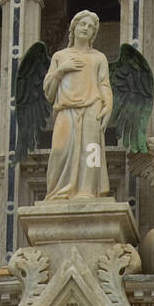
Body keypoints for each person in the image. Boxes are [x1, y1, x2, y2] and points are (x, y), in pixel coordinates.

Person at [43, 10, 113, 200]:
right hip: (66, 110)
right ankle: (58, 191)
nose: (86, 29)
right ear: (73, 27)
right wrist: (60, 71)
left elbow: (104, 84)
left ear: (94, 34)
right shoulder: (60, 56)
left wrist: (108, 105)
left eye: (91, 27)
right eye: (83, 24)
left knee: (92, 149)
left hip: (92, 107)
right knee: (59, 150)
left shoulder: (99, 58)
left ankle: (88, 191)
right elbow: (48, 92)